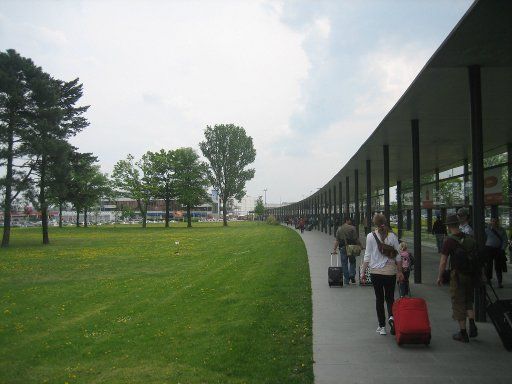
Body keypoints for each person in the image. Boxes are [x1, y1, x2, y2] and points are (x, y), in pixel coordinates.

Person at [437, 214, 478, 343]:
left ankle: (463, 333)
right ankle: (472, 324)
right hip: (470, 274)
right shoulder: (470, 239)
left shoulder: (449, 241)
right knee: (469, 300)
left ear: (448, 226)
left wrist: (440, 276)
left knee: (458, 302)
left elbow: (443, 261)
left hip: (457, 276)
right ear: (458, 224)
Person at [361, 214, 403, 336]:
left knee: (379, 299)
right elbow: (398, 256)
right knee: (390, 298)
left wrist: (363, 272)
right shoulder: (393, 236)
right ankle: (392, 317)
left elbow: (367, 256)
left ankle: (382, 326)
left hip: (376, 273)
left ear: (374, 223)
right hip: (390, 272)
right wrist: (400, 271)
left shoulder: (370, 236)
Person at [333, 216, 360, 285]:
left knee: (344, 263)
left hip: (342, 247)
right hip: (351, 247)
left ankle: (346, 279)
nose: (351, 221)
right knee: (352, 261)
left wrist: (334, 249)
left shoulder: (339, 229)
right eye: (350, 220)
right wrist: (361, 246)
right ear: (347, 220)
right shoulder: (352, 228)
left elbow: (337, 240)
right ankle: (352, 275)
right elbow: (356, 239)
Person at [484, 217, 508, 288]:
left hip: (498, 249)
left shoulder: (502, 230)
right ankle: (488, 280)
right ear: (491, 222)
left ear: (498, 222)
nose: (494, 222)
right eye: (493, 221)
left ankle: (499, 282)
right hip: (489, 249)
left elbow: (505, 240)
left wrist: (503, 249)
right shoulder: (487, 229)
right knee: (489, 265)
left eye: (496, 221)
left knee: (498, 266)